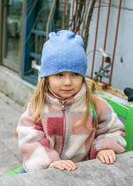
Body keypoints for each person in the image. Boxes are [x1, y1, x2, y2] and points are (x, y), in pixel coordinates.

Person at [16, 30, 126, 172]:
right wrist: (49, 162)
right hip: (45, 169)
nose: (68, 82)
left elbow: (113, 129)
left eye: (75, 74)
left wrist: (104, 147)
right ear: (47, 77)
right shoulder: (37, 107)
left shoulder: (95, 105)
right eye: (59, 75)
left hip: (82, 170)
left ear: (82, 77)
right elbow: (29, 139)